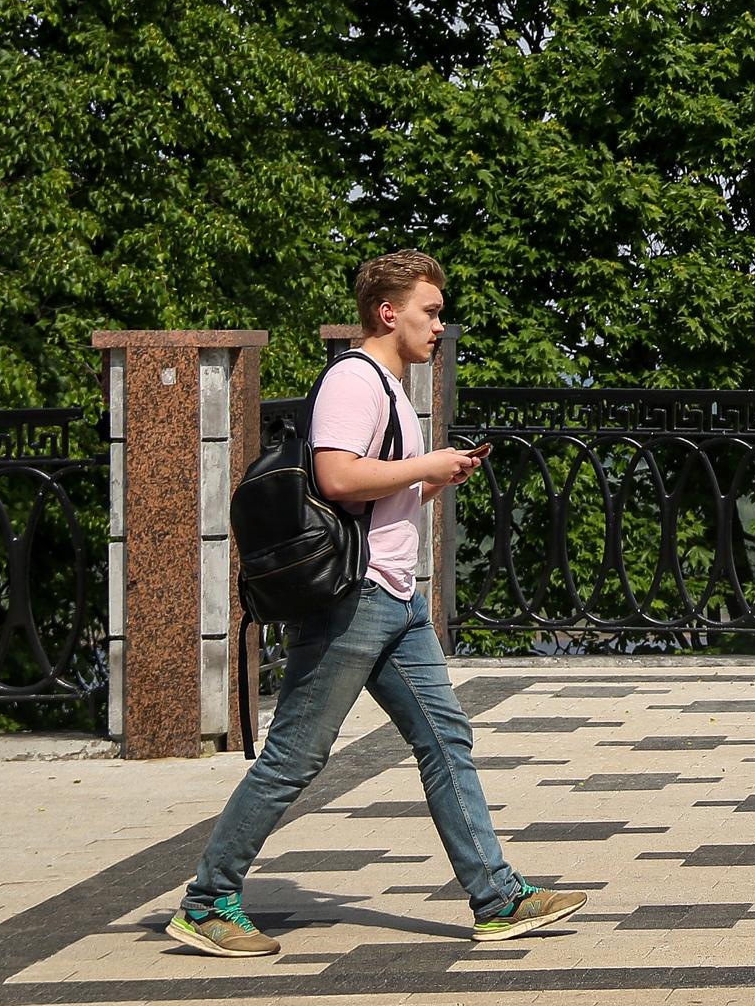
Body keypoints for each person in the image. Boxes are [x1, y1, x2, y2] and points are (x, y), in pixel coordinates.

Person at [165, 250, 584, 957]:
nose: (439, 327)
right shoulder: (355, 381)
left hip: (394, 598)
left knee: (445, 738)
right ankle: (208, 899)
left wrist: (434, 478)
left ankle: (497, 895)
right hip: (353, 602)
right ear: (388, 312)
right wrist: (426, 463)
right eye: (430, 311)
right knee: (297, 754)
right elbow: (335, 475)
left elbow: (374, 492)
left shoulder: (388, 386)